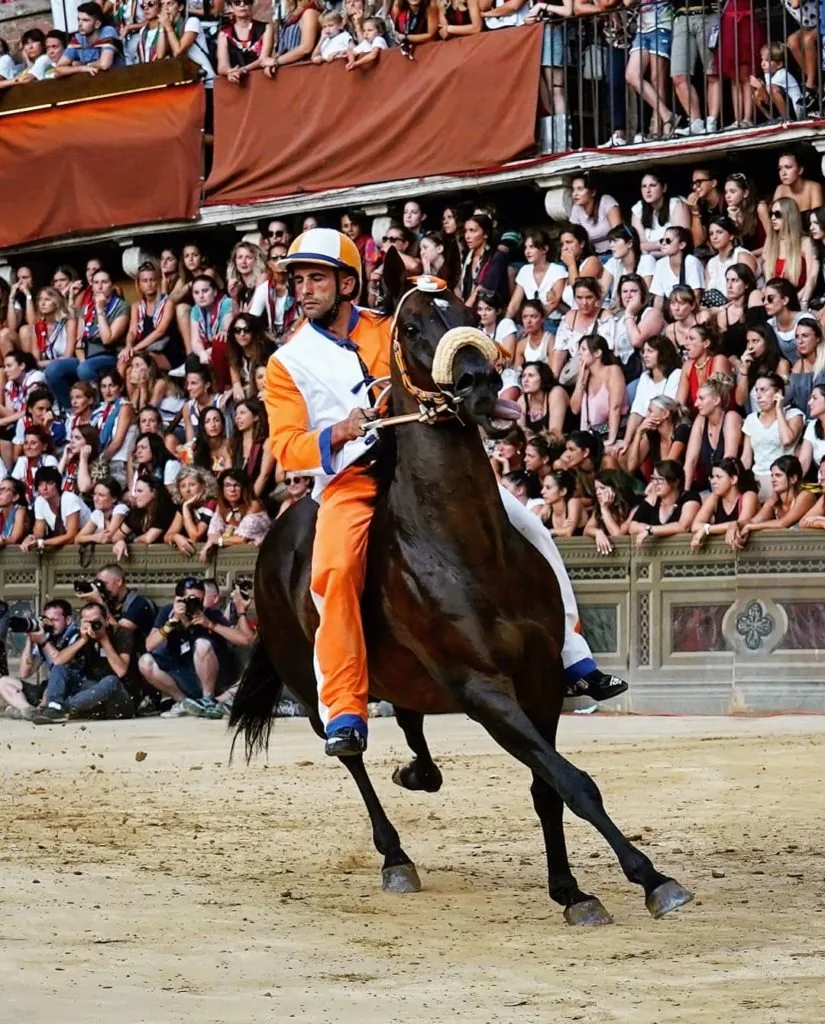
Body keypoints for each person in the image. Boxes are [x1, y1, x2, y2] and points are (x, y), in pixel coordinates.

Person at [263, 228, 627, 755]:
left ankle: (574, 654)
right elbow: (287, 447)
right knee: (335, 571)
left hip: (424, 472)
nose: (303, 289)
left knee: (526, 522)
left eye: (315, 278)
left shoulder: (390, 325)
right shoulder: (286, 363)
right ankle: (343, 707)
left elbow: (451, 362)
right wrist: (338, 431)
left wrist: (485, 391)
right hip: (353, 480)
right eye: (298, 280)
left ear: (347, 284)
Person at [140, 576, 250, 718]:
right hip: (184, 677)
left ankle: (208, 701)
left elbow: (244, 640)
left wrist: (211, 625)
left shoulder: (210, 614)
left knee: (202, 644)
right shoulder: (168, 613)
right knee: (145, 661)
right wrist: (172, 622)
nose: (196, 605)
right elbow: (149, 645)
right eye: (191, 600)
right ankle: (186, 704)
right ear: (178, 600)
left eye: (199, 600)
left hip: (213, 680)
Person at [32, 603, 134, 723]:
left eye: (95, 621)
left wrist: (103, 638)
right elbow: (58, 661)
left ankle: (65, 707)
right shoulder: (81, 636)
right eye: (87, 622)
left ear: (106, 621)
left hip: (120, 696)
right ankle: (54, 706)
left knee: (111, 680)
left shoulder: (121, 633)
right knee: (62, 668)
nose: (92, 626)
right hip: (90, 693)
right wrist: (83, 640)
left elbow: (121, 671)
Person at [610, 335, 681, 459]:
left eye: (650, 351)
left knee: (625, 457)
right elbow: (637, 411)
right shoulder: (645, 377)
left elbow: (667, 409)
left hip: (664, 426)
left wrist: (642, 428)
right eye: (644, 351)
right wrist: (626, 440)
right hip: (646, 426)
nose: (645, 355)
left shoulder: (675, 374)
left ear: (663, 353)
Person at [741, 373, 805, 498]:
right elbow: (746, 458)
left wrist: (779, 410)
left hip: (782, 479)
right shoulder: (751, 419)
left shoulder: (793, 415)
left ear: (778, 393)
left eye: (764, 390)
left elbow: (787, 440)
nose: (758, 396)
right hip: (756, 479)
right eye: (757, 390)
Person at [730, 455, 814, 545]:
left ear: (793, 478)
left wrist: (750, 527)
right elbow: (753, 521)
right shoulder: (773, 501)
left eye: (778, 475)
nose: (773, 480)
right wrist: (736, 524)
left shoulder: (806, 495)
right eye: (772, 476)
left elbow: (783, 523)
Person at [682, 374, 743, 490]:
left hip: (734, 487)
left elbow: (729, 461)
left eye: (701, 399)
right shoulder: (700, 420)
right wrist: (684, 495)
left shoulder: (731, 417)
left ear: (716, 400)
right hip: (713, 486)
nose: (696, 404)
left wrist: (713, 498)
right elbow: (690, 462)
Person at [690, 456, 759, 550]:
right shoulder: (714, 497)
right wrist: (705, 528)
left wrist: (706, 529)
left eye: (718, 477)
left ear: (733, 479)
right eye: (712, 477)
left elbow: (740, 525)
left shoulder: (749, 496)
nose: (713, 482)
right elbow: (695, 526)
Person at [570, 334, 627, 446]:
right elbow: (574, 409)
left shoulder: (612, 371)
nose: (579, 353)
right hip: (590, 436)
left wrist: (611, 439)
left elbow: (615, 408)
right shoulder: (585, 377)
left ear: (597, 353)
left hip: (612, 433)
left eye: (583, 349)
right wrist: (581, 379)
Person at [199, 468, 270, 556]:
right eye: (227, 485)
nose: (232, 489)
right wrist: (211, 542)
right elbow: (212, 534)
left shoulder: (253, 505)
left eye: (236, 485)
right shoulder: (221, 506)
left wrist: (218, 540)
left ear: (244, 488)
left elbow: (242, 539)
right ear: (222, 489)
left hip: (260, 555)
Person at [629, 459, 701, 547]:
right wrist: (649, 529)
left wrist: (650, 530)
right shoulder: (653, 498)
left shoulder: (690, 496)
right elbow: (632, 527)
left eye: (660, 479)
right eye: (653, 478)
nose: (655, 483)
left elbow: (683, 526)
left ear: (675, 482)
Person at [763, 197, 818, 307]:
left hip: (796, 297)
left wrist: (800, 300)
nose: (773, 218)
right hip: (773, 300)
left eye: (777, 214)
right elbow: (768, 280)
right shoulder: (773, 244)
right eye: (771, 214)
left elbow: (812, 277)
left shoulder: (805, 242)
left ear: (789, 216)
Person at [21, 467, 91, 552]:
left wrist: (42, 543)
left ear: (57, 484)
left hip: (91, 541)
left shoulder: (69, 499)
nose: (44, 488)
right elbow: (39, 533)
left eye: (49, 483)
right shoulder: (39, 501)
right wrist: (31, 538)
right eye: (40, 484)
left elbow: (71, 536)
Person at [505, 229, 566, 324]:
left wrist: (534, 323)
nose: (527, 252)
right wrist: (505, 323)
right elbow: (514, 304)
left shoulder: (558, 270)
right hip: (530, 322)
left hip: (553, 322)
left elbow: (553, 304)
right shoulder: (525, 270)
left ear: (545, 249)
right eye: (526, 247)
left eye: (532, 247)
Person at [625, 394, 690, 481]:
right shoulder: (652, 434)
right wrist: (638, 432)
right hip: (660, 484)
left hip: (682, 484)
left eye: (650, 411)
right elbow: (631, 467)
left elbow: (668, 466)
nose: (647, 415)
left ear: (665, 414)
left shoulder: (681, 430)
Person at [111, 478, 177, 558]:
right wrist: (121, 541)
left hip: (165, 557)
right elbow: (116, 536)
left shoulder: (165, 509)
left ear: (154, 492)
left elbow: (149, 538)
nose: (135, 495)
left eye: (139, 491)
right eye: (135, 491)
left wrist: (132, 541)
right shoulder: (136, 512)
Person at [55, 2, 125, 76]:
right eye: (79, 19)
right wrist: (81, 68)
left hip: (117, 79)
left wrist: (85, 65)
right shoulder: (78, 38)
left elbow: (104, 64)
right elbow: (58, 70)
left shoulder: (107, 31)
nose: (80, 24)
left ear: (97, 24)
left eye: (85, 20)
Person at [734, 323, 791, 414]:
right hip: (755, 419)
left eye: (755, 341)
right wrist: (744, 372)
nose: (750, 346)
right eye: (748, 341)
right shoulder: (748, 365)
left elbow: (784, 398)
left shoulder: (781, 364)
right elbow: (740, 401)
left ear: (767, 342)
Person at [631, 172, 690, 258]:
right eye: (644, 186)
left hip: (675, 258)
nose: (647, 190)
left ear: (664, 188)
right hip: (649, 259)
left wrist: (650, 248)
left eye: (653, 185)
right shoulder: (638, 209)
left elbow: (681, 242)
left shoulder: (676, 205)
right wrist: (660, 243)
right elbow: (638, 245)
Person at [583, 468, 638, 554]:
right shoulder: (599, 507)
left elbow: (617, 536)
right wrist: (598, 532)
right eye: (596, 489)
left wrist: (605, 509)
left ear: (615, 489)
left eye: (602, 488)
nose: (598, 492)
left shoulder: (634, 508)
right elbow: (586, 530)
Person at [217, 0, 274, 82]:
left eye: (247, 1)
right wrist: (230, 72)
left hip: (261, 80)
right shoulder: (224, 33)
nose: (242, 5)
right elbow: (222, 66)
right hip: (235, 82)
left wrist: (242, 70)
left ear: (252, 5)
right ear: (230, 7)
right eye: (237, 2)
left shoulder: (266, 28)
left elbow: (263, 59)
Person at [164, 466, 217, 553]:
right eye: (183, 486)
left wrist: (185, 507)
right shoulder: (184, 507)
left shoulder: (211, 503)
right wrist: (176, 537)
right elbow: (167, 536)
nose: (187, 490)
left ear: (204, 486)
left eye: (192, 485)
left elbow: (195, 536)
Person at [567, 173, 623, 255]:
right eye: (573, 190)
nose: (575, 194)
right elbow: (574, 237)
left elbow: (618, 233)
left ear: (593, 192)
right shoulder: (576, 208)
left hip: (614, 252)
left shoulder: (606, 201)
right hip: (594, 255)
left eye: (580, 189)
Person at [650, 227, 704, 309]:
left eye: (668, 241)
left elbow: (696, 294)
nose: (663, 243)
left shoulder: (691, 262)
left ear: (682, 245)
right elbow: (658, 298)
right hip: (671, 310)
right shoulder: (660, 264)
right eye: (662, 240)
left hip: (690, 309)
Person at [750, 42, 803, 121]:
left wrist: (760, 87)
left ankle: (786, 119)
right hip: (786, 106)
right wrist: (760, 88)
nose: (762, 64)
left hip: (796, 111)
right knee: (755, 95)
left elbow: (768, 101)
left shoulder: (782, 74)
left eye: (767, 61)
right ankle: (773, 120)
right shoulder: (768, 73)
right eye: (762, 59)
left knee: (770, 88)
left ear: (779, 64)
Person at [517, 361, 568, 435]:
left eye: (531, 375)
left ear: (543, 378)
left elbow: (555, 434)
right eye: (523, 376)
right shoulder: (523, 399)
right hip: (535, 444)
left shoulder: (556, 393)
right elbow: (520, 433)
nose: (525, 380)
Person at [76, 478, 130, 544]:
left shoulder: (120, 508)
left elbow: (107, 537)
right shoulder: (97, 514)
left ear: (114, 499)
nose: (95, 499)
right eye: (94, 494)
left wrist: (91, 537)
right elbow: (77, 539)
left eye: (101, 495)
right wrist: (94, 537)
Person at [533, 470, 582, 537]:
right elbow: (534, 528)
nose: (542, 491)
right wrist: (540, 516)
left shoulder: (574, 502)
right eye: (543, 487)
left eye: (548, 488)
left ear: (563, 491)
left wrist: (548, 532)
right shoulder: (547, 508)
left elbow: (568, 532)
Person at [772, 149, 824, 213]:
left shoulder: (813, 187)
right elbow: (776, 217)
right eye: (780, 169)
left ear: (800, 170)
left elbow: (818, 218)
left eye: (788, 167)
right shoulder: (780, 189)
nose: (783, 173)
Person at [0, 478, 29, 547]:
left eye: (4, 490)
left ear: (15, 497)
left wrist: (3, 541)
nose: (0, 492)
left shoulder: (20, 511)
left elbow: (14, 538)